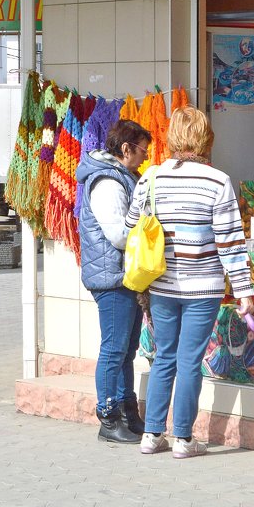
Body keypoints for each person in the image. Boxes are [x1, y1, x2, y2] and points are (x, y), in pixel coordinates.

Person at [124, 106, 254, 458]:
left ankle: (151, 435)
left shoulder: (150, 177)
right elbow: (230, 241)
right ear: (205, 139)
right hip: (204, 287)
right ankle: (183, 439)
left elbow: (130, 227)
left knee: (163, 357)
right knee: (189, 360)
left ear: (172, 138)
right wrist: (243, 292)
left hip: (162, 285)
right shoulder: (217, 181)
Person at [76, 120, 153, 443]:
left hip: (123, 276)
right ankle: (108, 419)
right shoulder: (108, 182)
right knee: (114, 349)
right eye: (142, 151)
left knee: (126, 350)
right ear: (126, 149)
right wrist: (149, 228)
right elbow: (119, 234)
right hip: (111, 279)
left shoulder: (123, 177)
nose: (144, 158)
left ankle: (127, 412)